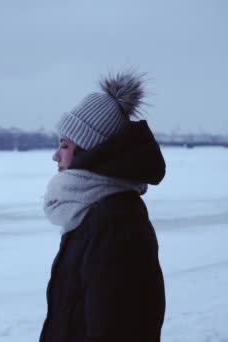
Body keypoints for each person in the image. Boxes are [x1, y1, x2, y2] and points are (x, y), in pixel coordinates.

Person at [40, 71, 166, 341]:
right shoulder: (90, 210)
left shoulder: (115, 221)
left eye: (64, 145)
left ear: (90, 149)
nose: (55, 155)